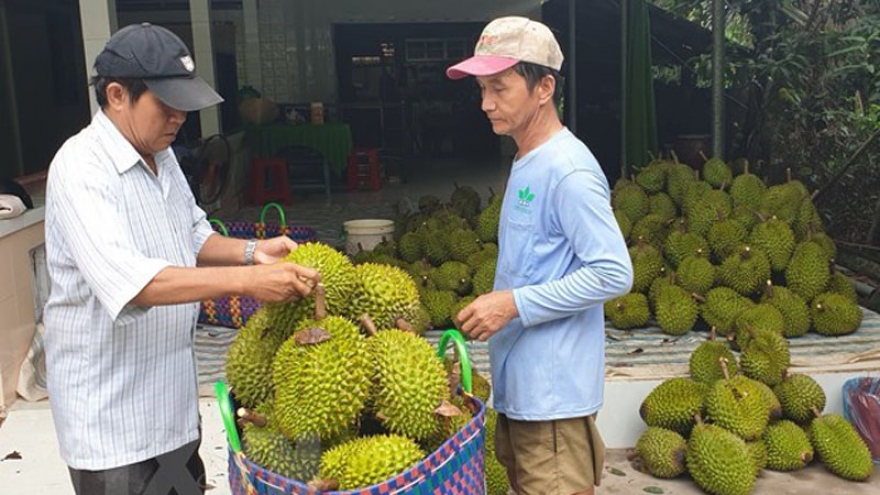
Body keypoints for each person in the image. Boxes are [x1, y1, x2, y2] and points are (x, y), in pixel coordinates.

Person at [43, 23, 320, 495]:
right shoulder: (80, 169)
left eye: (183, 106)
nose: (178, 118)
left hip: (171, 412)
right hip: (115, 424)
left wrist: (254, 252)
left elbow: (191, 232)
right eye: (165, 105)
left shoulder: (160, 154)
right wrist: (248, 283)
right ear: (116, 96)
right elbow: (136, 284)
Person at [448, 16, 633, 495]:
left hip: (554, 407)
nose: (486, 103)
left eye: (500, 88)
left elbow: (614, 272)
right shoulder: (528, 159)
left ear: (544, 87)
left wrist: (511, 304)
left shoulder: (569, 171)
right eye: (481, 89)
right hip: (521, 392)